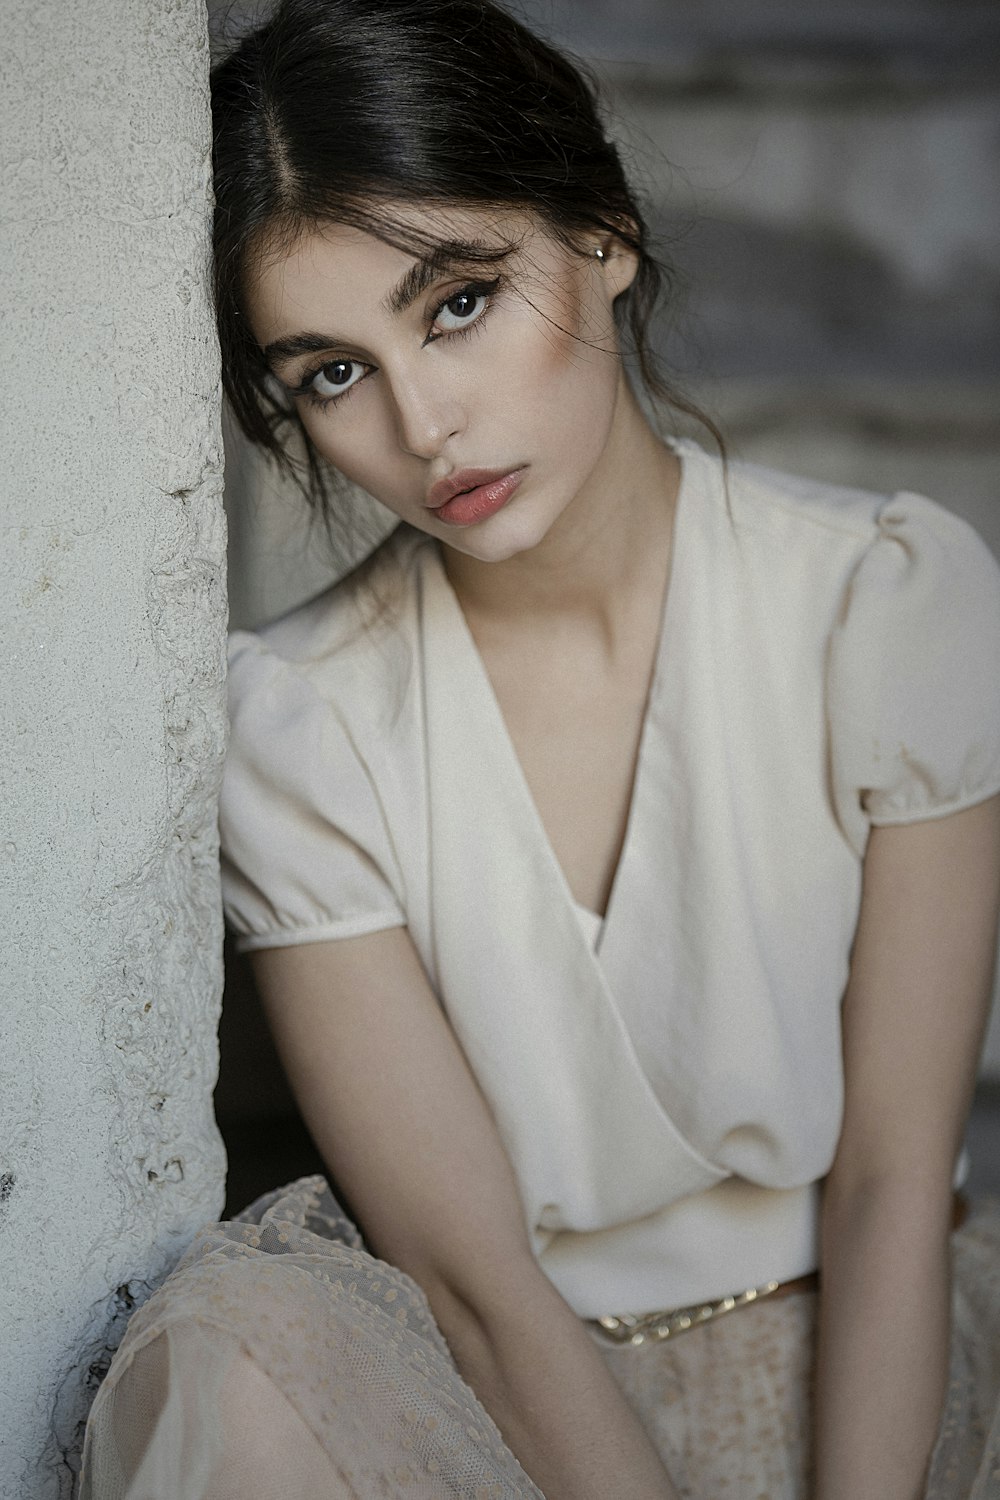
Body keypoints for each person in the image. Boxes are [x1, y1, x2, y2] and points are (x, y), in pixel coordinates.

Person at [81, 0, 1000, 1495]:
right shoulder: (299, 728)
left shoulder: (882, 605)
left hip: (877, 1359)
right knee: (226, 1368)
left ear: (604, 232)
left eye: (455, 303)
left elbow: (897, 1182)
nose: (423, 423)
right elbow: (470, 1287)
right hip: (511, 1411)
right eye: (331, 371)